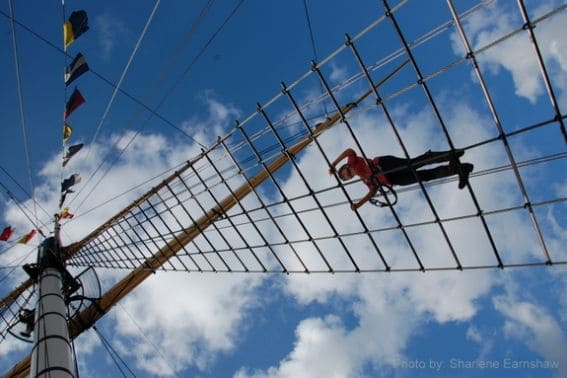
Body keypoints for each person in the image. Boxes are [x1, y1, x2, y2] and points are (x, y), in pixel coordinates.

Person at [328, 148, 473, 210]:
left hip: (384, 165)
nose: (345, 176)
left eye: (343, 174)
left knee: (414, 164)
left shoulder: (353, 162)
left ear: (344, 168)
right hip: (393, 180)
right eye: (345, 178)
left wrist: (334, 164)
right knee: (423, 177)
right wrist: (359, 204)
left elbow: (349, 150)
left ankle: (450, 155)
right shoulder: (365, 179)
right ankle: (456, 169)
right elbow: (372, 192)